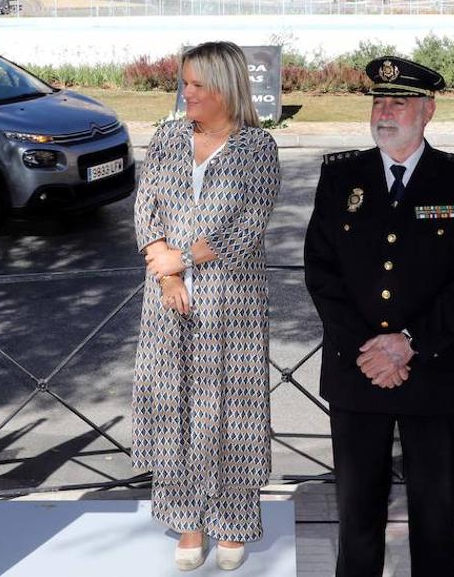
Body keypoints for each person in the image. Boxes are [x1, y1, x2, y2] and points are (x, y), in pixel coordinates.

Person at [304, 56, 454, 577]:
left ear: (428, 110)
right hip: (356, 370)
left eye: (400, 102)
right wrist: (367, 350)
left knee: (436, 516)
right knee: (358, 514)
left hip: (431, 371)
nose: (385, 112)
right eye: (379, 101)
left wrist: (409, 343)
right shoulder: (341, 176)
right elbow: (321, 271)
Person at [130, 41, 281, 572]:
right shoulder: (169, 136)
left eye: (196, 84)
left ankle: (233, 520)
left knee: (231, 414)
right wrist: (165, 268)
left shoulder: (257, 147)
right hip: (166, 300)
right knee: (174, 410)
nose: (186, 92)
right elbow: (145, 204)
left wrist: (182, 257)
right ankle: (187, 521)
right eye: (184, 83)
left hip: (231, 305)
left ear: (224, 87)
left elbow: (245, 230)